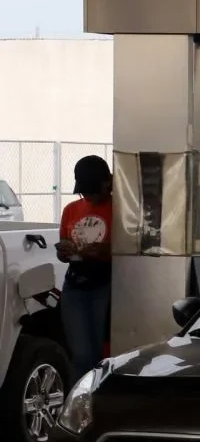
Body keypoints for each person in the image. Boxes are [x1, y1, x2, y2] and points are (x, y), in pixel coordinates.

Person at [56, 155, 114, 381]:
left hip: (106, 283)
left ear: (107, 183)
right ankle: (78, 405)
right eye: (84, 191)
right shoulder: (71, 209)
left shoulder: (120, 208)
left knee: (103, 352)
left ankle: (101, 401)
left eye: (92, 191)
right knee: (81, 354)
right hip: (75, 284)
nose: (87, 196)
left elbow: (130, 249)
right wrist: (64, 252)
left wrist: (103, 251)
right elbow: (64, 250)